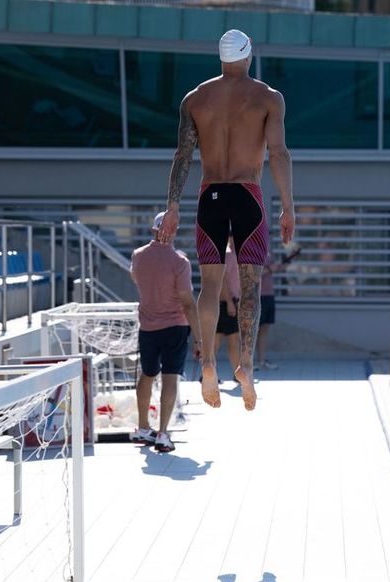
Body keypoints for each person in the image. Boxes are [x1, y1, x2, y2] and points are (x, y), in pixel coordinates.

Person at [158, 29, 295, 411]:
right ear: (248, 55)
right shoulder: (268, 98)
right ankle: (246, 365)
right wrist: (288, 205)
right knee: (249, 285)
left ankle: (206, 365)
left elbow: (182, 156)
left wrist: (172, 205)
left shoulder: (195, 98)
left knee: (210, 284)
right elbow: (279, 154)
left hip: (210, 197)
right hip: (248, 196)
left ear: (220, 57)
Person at [130, 211, 202, 452]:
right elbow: (188, 302)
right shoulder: (179, 262)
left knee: (148, 374)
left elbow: (138, 281)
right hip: (175, 326)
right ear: (174, 231)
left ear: (153, 229)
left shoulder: (138, 256)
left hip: (148, 325)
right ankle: (162, 433)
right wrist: (200, 338)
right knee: (170, 377)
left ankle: (142, 427)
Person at [215, 235, 241, 379]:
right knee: (219, 341)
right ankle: (209, 374)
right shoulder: (228, 254)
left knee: (233, 341)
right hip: (225, 303)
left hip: (232, 302)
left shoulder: (234, 254)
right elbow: (222, 279)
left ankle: (237, 374)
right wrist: (230, 302)